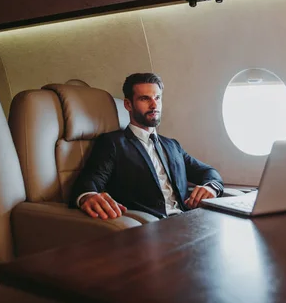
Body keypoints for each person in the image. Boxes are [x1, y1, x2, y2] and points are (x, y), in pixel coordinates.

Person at [71, 73, 224, 219]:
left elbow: (209, 172)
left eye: (158, 98)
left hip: (187, 219)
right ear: (128, 104)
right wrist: (88, 196)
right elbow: (89, 181)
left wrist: (210, 187)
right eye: (145, 99)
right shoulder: (113, 143)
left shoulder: (172, 145)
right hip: (146, 225)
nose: (154, 104)